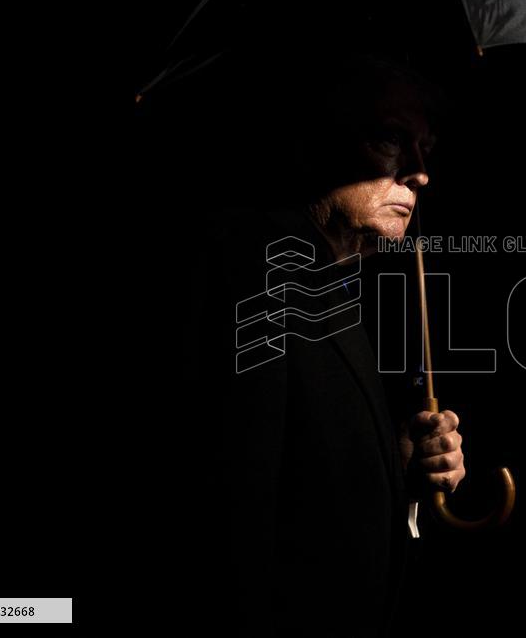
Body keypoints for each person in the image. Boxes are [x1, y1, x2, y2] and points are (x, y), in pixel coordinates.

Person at [181, 54, 466, 637]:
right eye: (391, 139)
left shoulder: (320, 279)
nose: (419, 172)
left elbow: (310, 490)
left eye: (425, 149)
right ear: (316, 143)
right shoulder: (259, 268)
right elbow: (231, 518)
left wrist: (397, 468)